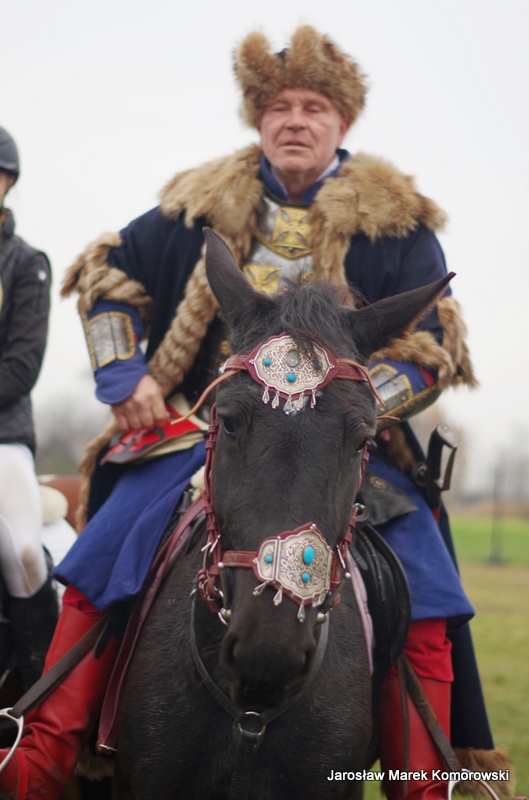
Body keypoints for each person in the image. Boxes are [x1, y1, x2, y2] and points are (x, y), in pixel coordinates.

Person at [0, 27, 521, 800]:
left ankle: (428, 783)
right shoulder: (193, 206)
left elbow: (432, 346)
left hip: (345, 446)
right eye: (279, 107)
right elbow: (107, 277)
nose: (294, 121)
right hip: (202, 433)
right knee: (107, 550)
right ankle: (40, 759)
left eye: (313, 107)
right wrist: (125, 375)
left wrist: (344, 406)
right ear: (258, 118)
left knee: (426, 586)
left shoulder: (397, 222)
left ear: (342, 122)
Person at [0, 127, 57, 692]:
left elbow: (20, 368)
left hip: (4, 435)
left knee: (19, 550)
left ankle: (37, 693)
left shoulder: (26, 264)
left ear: (7, 183)